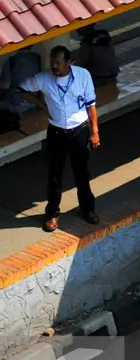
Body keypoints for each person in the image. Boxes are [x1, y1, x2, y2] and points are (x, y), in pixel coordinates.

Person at [17, 45, 101, 231]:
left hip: (80, 131)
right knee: (55, 175)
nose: (54, 66)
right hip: (56, 133)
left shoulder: (82, 76)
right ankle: (52, 214)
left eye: (58, 63)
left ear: (69, 62)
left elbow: (91, 105)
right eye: (52, 62)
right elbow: (22, 87)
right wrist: (41, 104)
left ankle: (88, 210)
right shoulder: (43, 79)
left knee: (82, 174)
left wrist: (95, 131)